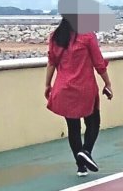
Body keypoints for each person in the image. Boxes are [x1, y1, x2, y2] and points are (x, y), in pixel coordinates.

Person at [44, 13, 112, 172]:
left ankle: (81, 167)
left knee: (73, 127)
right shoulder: (87, 35)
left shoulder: (56, 36)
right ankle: (86, 151)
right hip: (84, 88)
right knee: (93, 122)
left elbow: (51, 62)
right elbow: (99, 63)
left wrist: (47, 84)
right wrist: (107, 83)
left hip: (63, 88)